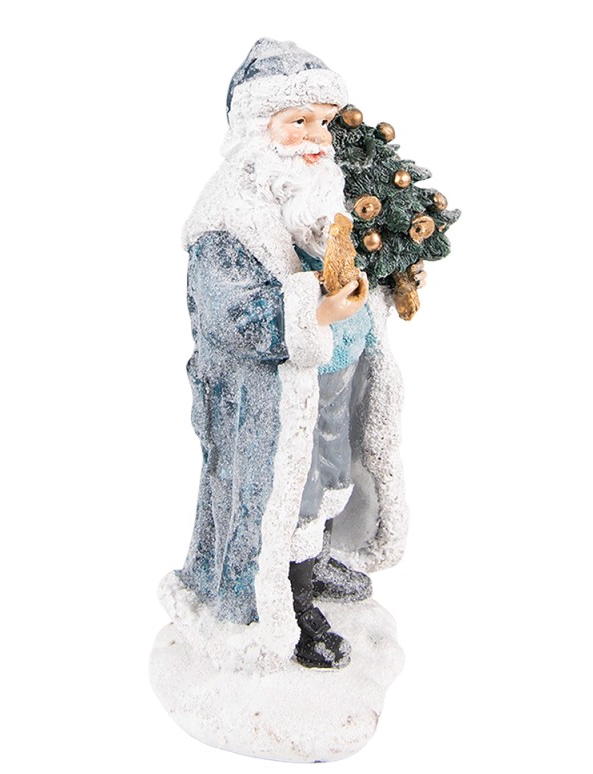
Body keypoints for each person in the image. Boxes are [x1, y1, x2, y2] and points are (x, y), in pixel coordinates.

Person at [165, 39, 408, 670]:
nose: (315, 138)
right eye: (297, 121)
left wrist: (384, 279)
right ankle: (284, 598)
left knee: (332, 473)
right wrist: (312, 313)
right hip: (270, 396)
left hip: (336, 372)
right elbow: (231, 313)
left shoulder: (321, 189)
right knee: (286, 492)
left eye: (323, 121)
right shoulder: (226, 216)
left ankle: (314, 560)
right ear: (258, 127)